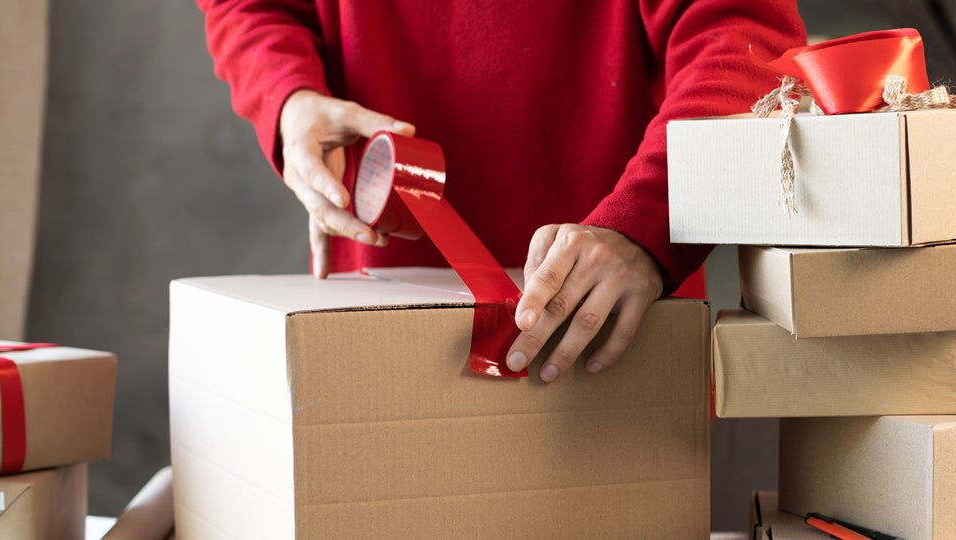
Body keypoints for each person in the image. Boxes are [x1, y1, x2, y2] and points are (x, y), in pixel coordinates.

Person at [197, 1, 805, 381]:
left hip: (618, 310)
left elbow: (743, 39)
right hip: (380, 298)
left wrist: (646, 221)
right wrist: (287, 97)